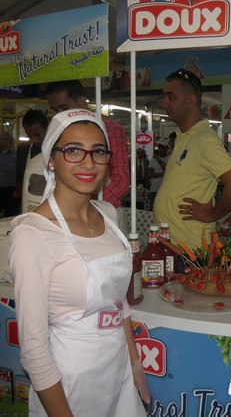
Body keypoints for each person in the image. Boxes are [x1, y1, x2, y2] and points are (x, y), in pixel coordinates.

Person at [9, 109, 150, 417]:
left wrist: (135, 368)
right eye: (73, 150)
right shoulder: (33, 233)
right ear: (51, 158)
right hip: (70, 386)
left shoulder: (108, 214)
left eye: (98, 151)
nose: (88, 163)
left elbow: (119, 304)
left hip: (118, 373)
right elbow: (34, 350)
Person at [153, 68, 231, 248]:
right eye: (164, 96)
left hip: (189, 249)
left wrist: (212, 214)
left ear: (191, 100)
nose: (164, 103)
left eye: (171, 97)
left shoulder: (205, 140)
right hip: (172, 245)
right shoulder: (183, 137)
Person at [46, 80, 130, 234]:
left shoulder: (110, 129)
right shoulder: (57, 131)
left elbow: (121, 181)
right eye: (72, 150)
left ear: (82, 102)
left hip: (105, 215)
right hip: (65, 214)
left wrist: (92, 206)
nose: (59, 114)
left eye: (99, 152)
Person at [16, 109, 49, 201]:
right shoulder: (23, 149)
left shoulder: (58, 148)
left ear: (46, 128)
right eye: (29, 135)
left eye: (37, 135)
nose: (33, 139)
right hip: (30, 198)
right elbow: (20, 176)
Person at [0, 130, 20, 217]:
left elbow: (21, 173)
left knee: (11, 215)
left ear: (9, 140)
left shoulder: (17, 155)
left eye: (2, 138)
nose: (0, 141)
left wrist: (18, 190)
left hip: (12, 192)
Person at [148, 140, 169, 211]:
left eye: (162, 147)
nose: (160, 149)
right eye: (159, 147)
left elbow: (166, 169)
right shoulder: (153, 159)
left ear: (167, 148)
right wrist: (163, 173)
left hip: (165, 189)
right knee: (153, 209)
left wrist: (158, 159)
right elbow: (149, 174)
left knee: (164, 209)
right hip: (154, 188)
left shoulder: (170, 158)